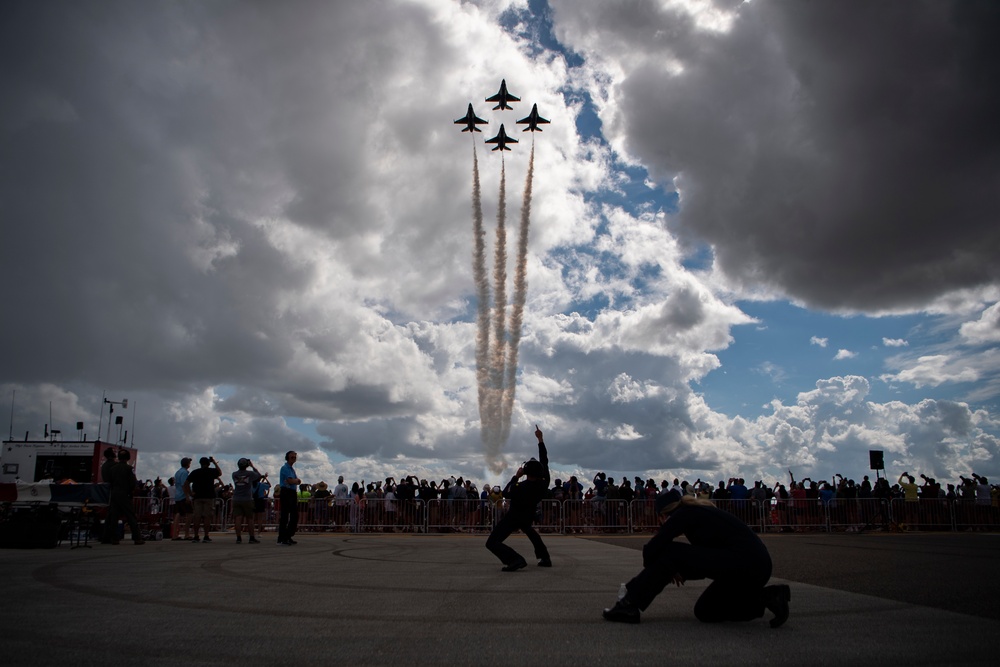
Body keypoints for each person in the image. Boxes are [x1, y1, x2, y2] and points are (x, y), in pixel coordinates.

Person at [602, 489, 790, 627]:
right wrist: (675, 569)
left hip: (747, 564)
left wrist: (667, 567)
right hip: (751, 569)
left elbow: (652, 549)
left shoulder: (685, 513)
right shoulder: (698, 514)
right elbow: (708, 561)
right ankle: (767, 598)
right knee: (705, 611)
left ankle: (629, 603)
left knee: (669, 551)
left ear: (664, 515)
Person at [485, 425, 551, 571]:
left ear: (526, 471)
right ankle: (545, 557)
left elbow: (507, 492)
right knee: (531, 532)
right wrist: (540, 439)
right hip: (528, 515)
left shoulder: (520, 487)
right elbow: (544, 459)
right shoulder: (543, 483)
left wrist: (516, 476)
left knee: (492, 542)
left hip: (514, 516)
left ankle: (515, 559)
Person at [104, 450, 145, 545]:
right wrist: (130, 492)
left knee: (114, 517)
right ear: (128, 458)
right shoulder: (129, 468)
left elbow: (109, 481)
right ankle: (137, 538)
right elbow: (132, 483)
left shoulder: (112, 469)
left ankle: (113, 538)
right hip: (125, 494)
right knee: (131, 516)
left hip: (114, 494)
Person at [184, 456, 222, 542]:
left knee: (197, 517)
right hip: (208, 496)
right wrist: (214, 462)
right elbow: (219, 472)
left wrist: (190, 493)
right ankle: (206, 535)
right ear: (208, 463)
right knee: (207, 517)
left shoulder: (195, 472)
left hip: (197, 497)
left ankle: (196, 535)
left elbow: (186, 483)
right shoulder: (211, 471)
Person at [232, 458, 262, 544]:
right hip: (247, 499)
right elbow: (259, 475)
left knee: (238, 518)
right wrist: (252, 466)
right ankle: (251, 537)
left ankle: (238, 538)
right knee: (250, 519)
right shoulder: (250, 474)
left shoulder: (234, 474)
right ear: (246, 465)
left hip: (236, 498)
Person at [277, 451, 302, 545]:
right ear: (287, 458)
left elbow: (294, 480)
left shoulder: (291, 469)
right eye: (292, 457)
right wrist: (297, 481)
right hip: (286, 491)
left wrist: (295, 481)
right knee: (285, 515)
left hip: (292, 492)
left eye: (295, 457)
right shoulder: (285, 468)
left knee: (294, 515)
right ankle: (282, 537)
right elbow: (290, 480)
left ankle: (288, 535)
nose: (294, 459)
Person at [171, 457, 193, 540]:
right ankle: (186, 533)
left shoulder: (178, 472)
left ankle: (174, 534)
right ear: (187, 464)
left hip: (178, 495)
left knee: (178, 514)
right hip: (183, 495)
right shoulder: (184, 473)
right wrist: (188, 496)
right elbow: (184, 485)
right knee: (190, 513)